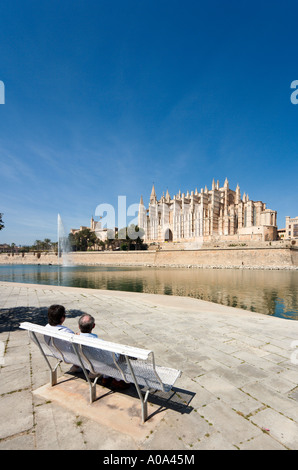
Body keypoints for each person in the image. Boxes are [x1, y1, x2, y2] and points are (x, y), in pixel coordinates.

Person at [77, 313, 129, 390]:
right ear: (93, 326)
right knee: (118, 357)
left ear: (79, 326)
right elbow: (114, 358)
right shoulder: (99, 343)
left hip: (85, 362)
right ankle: (118, 380)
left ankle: (106, 378)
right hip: (98, 366)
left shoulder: (73, 339)